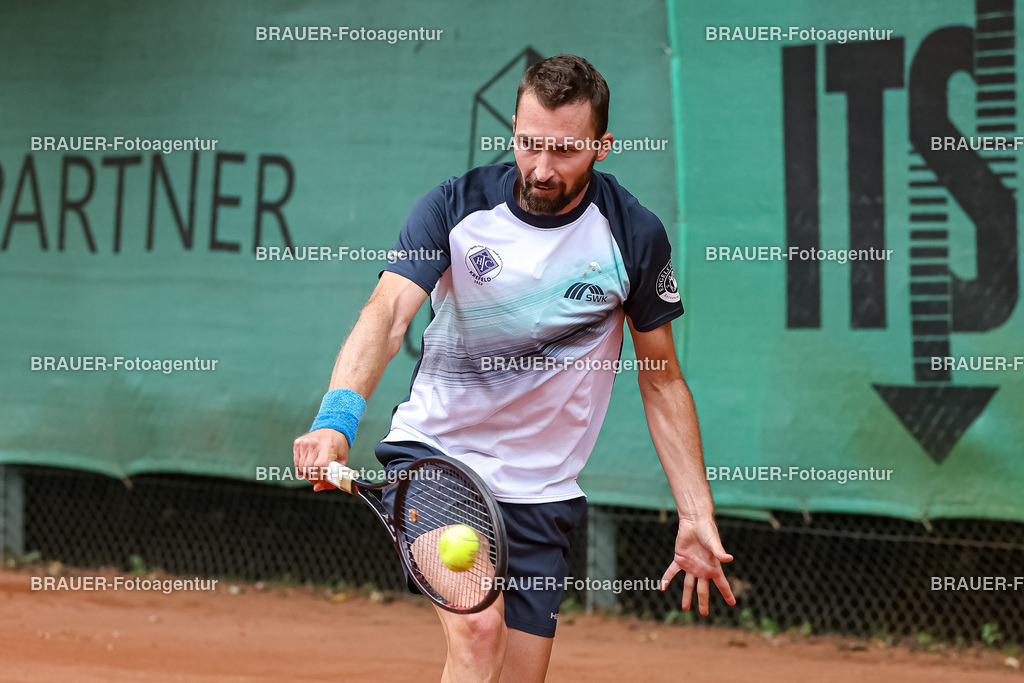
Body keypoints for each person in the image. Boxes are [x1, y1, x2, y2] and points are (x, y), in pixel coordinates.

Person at [293, 54, 735, 682]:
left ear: (602, 146)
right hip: (438, 458)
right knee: (477, 632)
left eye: (565, 150)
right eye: (530, 144)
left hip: (542, 492)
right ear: (513, 128)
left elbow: (661, 375)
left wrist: (695, 515)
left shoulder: (632, 236)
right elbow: (389, 311)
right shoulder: (456, 206)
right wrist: (337, 416)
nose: (543, 168)